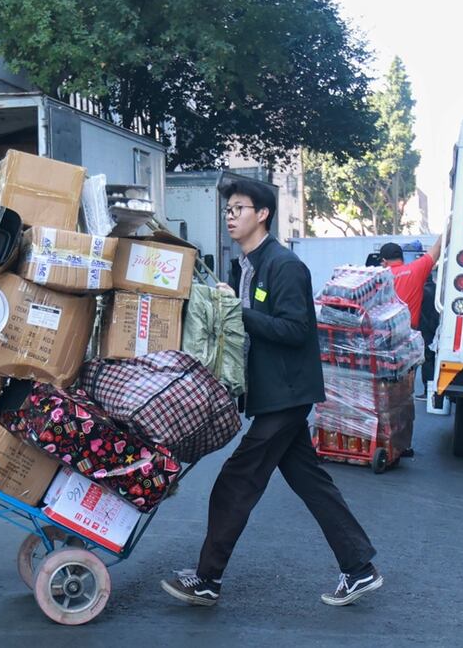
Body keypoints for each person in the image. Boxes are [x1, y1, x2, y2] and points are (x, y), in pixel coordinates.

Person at [161, 179, 381, 608]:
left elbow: (297, 329)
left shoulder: (284, 265)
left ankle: (207, 579)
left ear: (262, 214)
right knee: (312, 483)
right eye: (227, 209)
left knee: (235, 482)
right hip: (274, 392)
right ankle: (359, 568)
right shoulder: (246, 266)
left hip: (288, 393)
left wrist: (239, 313)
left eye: (238, 208)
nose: (230, 216)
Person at [379, 232, 444, 330]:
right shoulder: (416, 270)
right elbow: (438, 246)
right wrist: (454, 221)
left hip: (384, 332)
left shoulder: (378, 278)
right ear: (402, 258)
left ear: (384, 261)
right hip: (409, 333)